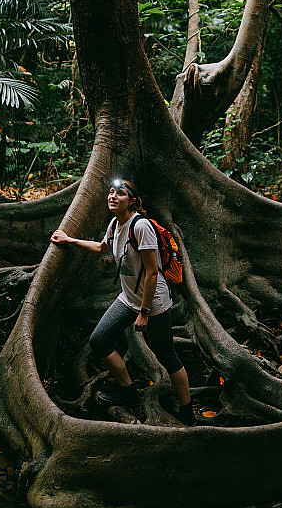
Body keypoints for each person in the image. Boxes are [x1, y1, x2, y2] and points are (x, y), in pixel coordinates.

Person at [51, 179, 196, 426]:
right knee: (99, 340)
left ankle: (187, 412)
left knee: (166, 355)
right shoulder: (115, 225)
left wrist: (144, 312)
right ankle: (128, 391)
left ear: (133, 201)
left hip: (155, 303)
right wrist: (69, 240)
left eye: (121, 193)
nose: (113, 196)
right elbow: (100, 248)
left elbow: (152, 272)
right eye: (111, 192)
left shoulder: (141, 226)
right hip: (128, 299)